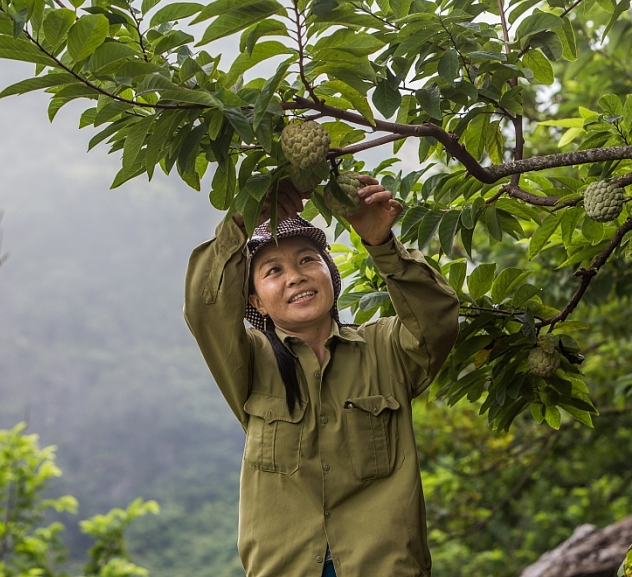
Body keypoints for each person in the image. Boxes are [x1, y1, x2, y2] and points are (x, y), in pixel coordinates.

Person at [184, 175, 461, 577]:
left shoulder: (385, 348)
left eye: (307, 261)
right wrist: (243, 216)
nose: (295, 276)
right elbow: (204, 308)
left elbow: (437, 321)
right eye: (273, 270)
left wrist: (382, 245)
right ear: (255, 301)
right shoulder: (249, 362)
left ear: (331, 274)